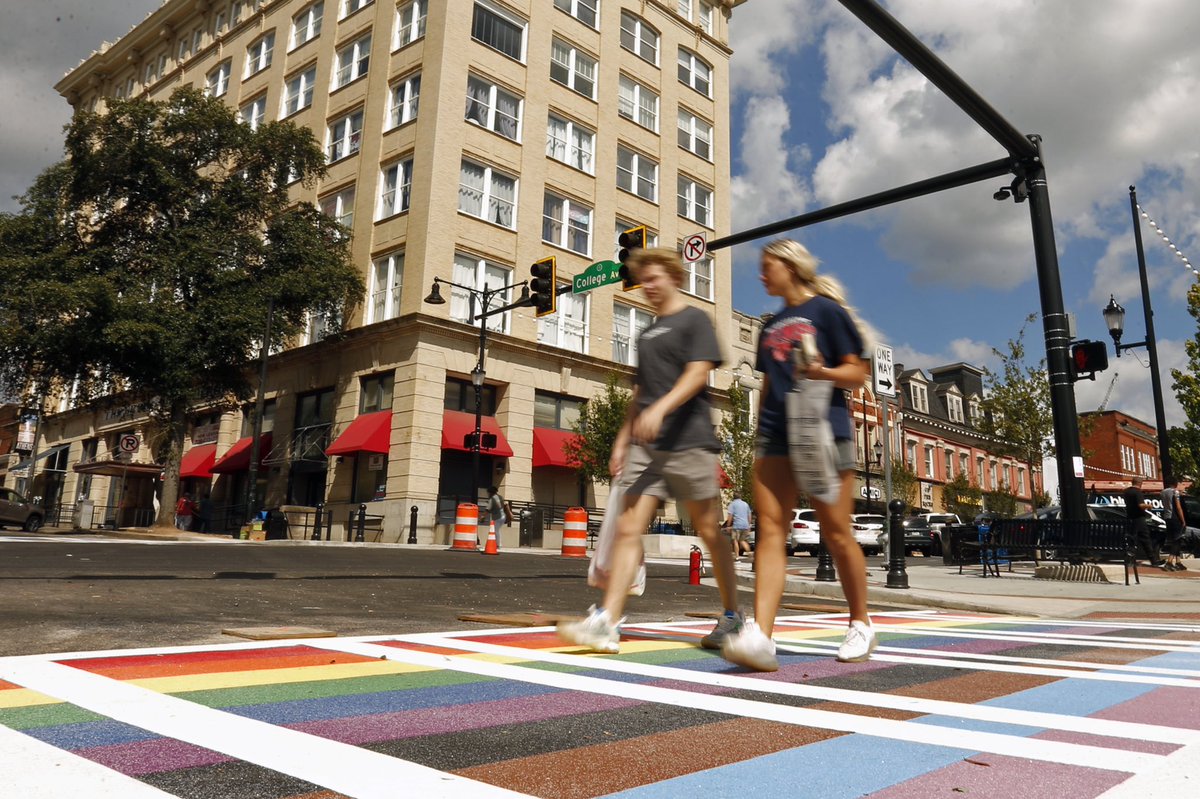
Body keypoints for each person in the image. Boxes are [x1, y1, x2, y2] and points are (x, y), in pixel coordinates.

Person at [558, 247, 740, 654]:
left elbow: (698, 374)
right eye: (644, 281)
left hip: (689, 440)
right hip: (647, 447)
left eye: (655, 278)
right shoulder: (647, 333)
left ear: (675, 277)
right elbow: (640, 393)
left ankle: (732, 615)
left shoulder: (695, 320)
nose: (649, 286)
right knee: (627, 528)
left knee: (709, 531)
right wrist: (622, 440)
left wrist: (661, 409)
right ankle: (607, 621)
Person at [720, 239, 876, 671]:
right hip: (775, 435)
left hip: (823, 430)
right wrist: (758, 435)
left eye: (767, 266)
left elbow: (857, 373)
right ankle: (761, 636)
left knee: (836, 532)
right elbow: (769, 384)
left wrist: (821, 371)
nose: (761, 275)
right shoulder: (770, 325)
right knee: (770, 531)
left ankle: (861, 622)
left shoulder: (826, 311)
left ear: (790, 266)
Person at [1123, 476, 1161, 567]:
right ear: (1140, 483)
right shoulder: (1138, 492)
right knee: (1145, 538)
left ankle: (1130, 560)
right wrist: (1149, 506)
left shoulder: (1126, 491)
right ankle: (1153, 560)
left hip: (1130, 517)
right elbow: (1140, 505)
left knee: (1132, 539)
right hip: (1139, 518)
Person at [1161, 478, 1188, 571]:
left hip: (1167, 517)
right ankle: (1169, 562)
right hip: (1175, 517)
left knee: (1176, 539)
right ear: (1175, 484)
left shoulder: (1163, 492)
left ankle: (1178, 561)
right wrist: (1183, 520)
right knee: (1177, 539)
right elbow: (1178, 507)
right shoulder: (1175, 492)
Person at [724, 492, 753, 559]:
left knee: (735, 541)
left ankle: (737, 557)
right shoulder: (745, 504)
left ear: (733, 497)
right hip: (745, 525)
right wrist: (749, 524)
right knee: (742, 541)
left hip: (737, 525)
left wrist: (728, 525)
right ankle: (749, 553)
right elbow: (749, 515)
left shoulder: (732, 504)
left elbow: (730, 516)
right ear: (741, 497)